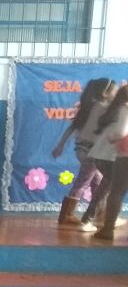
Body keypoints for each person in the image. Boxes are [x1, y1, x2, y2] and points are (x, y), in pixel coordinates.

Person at [51, 78, 115, 226]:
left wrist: (60, 145)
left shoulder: (89, 107)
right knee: (83, 181)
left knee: (97, 181)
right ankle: (67, 215)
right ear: (105, 93)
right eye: (114, 91)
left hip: (82, 150)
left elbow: (72, 128)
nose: (115, 94)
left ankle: (99, 215)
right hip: (91, 153)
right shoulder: (102, 108)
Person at [81, 84, 128, 232]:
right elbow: (120, 133)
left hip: (101, 155)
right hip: (112, 156)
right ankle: (92, 219)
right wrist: (115, 139)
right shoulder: (124, 110)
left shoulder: (113, 109)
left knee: (107, 188)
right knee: (112, 190)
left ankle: (97, 218)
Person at [95, 84, 128, 241]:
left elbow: (121, 132)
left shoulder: (124, 109)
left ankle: (108, 229)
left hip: (125, 155)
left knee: (116, 192)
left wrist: (111, 138)